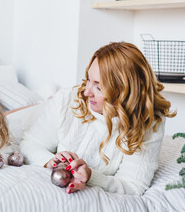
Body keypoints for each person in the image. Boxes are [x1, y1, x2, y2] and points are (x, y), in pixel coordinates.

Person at [19, 42, 176, 195]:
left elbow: (133, 185)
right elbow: (30, 143)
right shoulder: (67, 100)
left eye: (99, 87)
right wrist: (52, 162)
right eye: (88, 80)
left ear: (125, 93)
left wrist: (91, 176)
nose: (87, 92)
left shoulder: (149, 122)